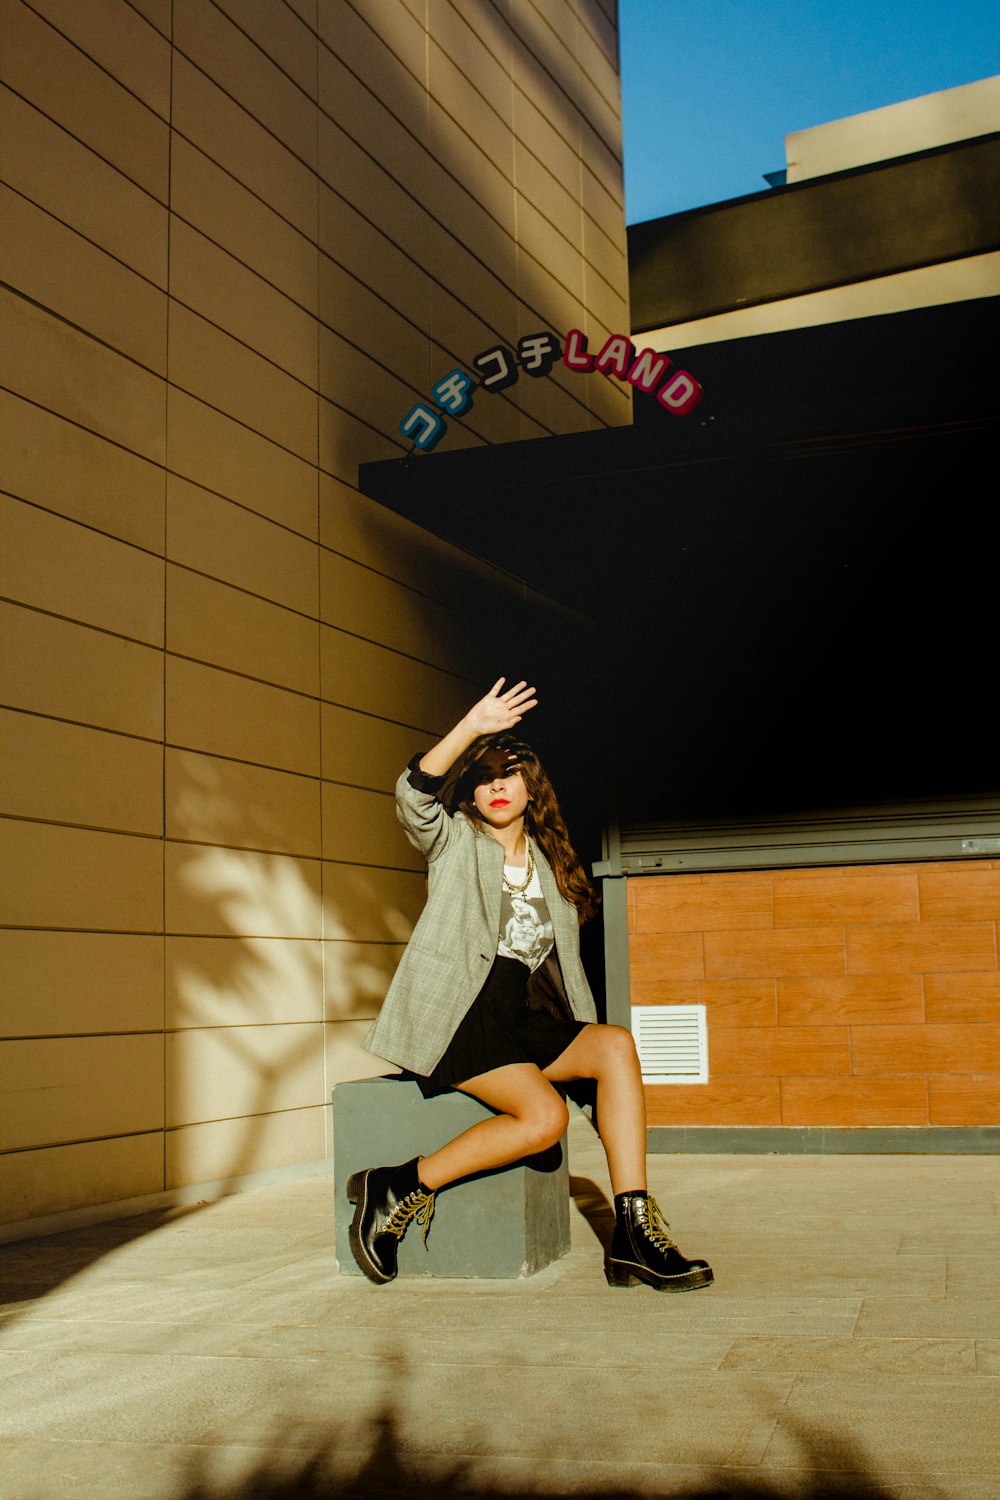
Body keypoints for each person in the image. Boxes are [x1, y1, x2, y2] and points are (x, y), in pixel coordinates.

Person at [348, 678, 712, 1294]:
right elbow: (413, 799)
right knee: (543, 1120)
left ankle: (633, 1232)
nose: (494, 783)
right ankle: (399, 1185)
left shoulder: (550, 861)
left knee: (616, 1043)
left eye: (507, 772)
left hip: (527, 1016)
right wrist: (470, 729)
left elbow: (561, 972)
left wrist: (588, 1061)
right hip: (468, 1014)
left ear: (530, 788)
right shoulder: (455, 843)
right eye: (483, 774)